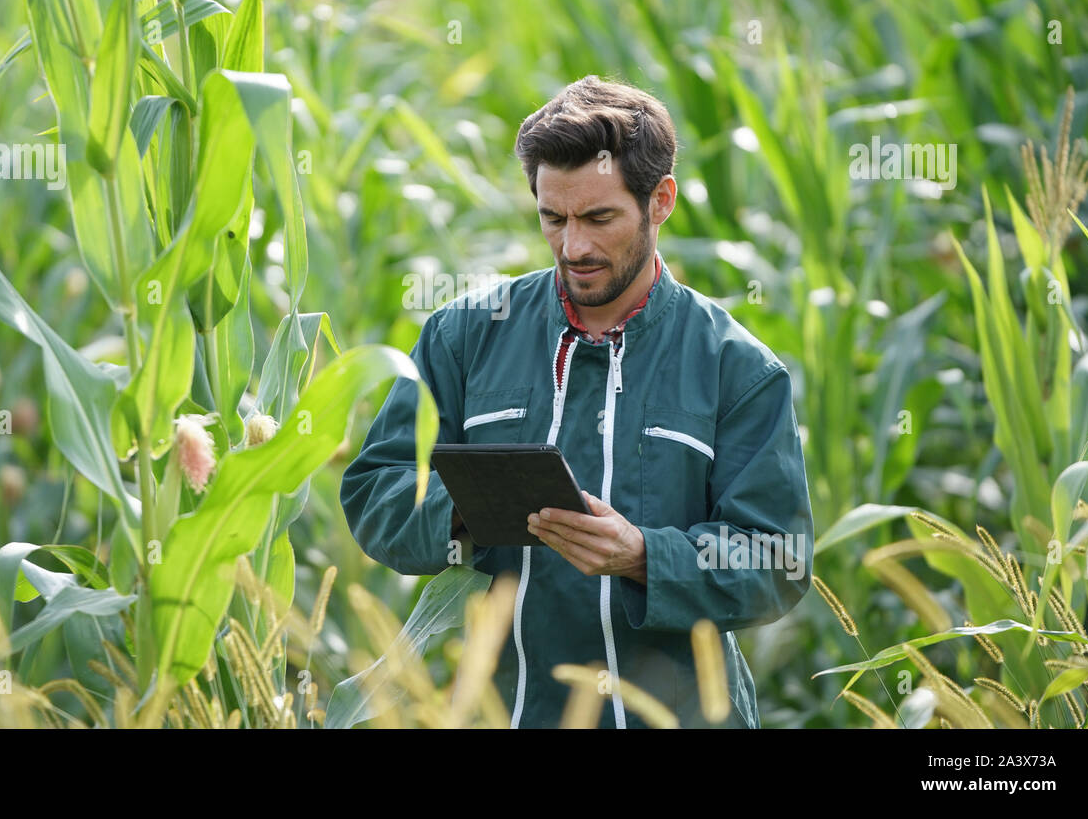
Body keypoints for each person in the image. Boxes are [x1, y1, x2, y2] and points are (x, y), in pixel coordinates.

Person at [339, 75, 813, 728]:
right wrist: (475, 503)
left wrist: (646, 555)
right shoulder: (463, 336)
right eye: (552, 218)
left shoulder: (737, 367)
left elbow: (777, 557)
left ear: (661, 200)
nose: (574, 247)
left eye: (598, 218)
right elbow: (374, 489)